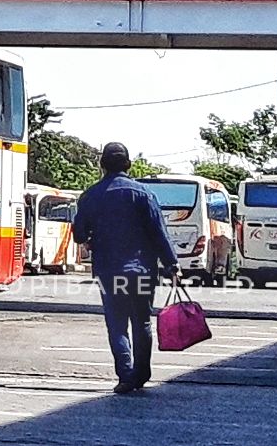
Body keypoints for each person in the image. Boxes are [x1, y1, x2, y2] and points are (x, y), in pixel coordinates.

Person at [71, 141, 179, 395]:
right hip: (141, 271)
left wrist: (91, 237)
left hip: (109, 272)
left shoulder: (91, 196)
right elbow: (159, 233)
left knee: (117, 324)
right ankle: (141, 373)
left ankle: (125, 375)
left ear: (101, 166)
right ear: (128, 165)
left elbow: (78, 234)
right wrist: (172, 264)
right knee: (142, 321)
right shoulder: (144, 194)